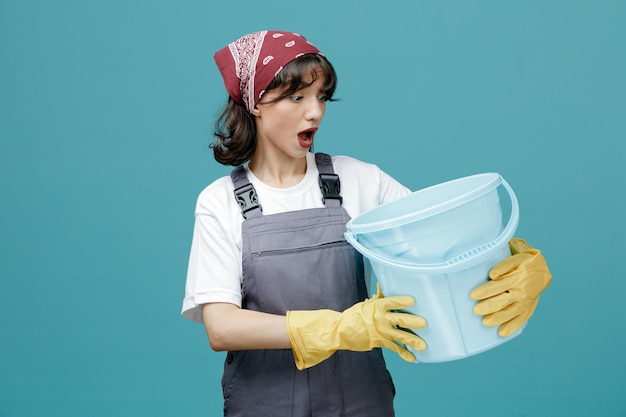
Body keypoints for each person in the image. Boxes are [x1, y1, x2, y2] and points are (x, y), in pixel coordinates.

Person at [182, 30, 552, 417]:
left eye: (322, 96)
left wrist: (514, 260)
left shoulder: (359, 180)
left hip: (362, 404)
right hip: (265, 405)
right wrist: (342, 328)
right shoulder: (221, 202)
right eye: (297, 97)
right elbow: (221, 327)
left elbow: (442, 249)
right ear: (256, 103)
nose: (315, 112)